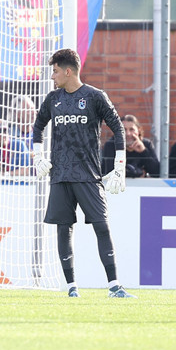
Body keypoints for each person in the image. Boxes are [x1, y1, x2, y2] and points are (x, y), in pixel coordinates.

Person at [31, 48, 135, 299]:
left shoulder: (94, 96)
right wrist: (38, 156)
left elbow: (118, 129)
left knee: (102, 226)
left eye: (55, 71)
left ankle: (114, 286)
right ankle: (71, 287)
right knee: (63, 229)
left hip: (88, 175)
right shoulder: (52, 98)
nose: (52, 76)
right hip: (60, 176)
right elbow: (38, 127)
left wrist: (119, 166)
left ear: (68, 71)